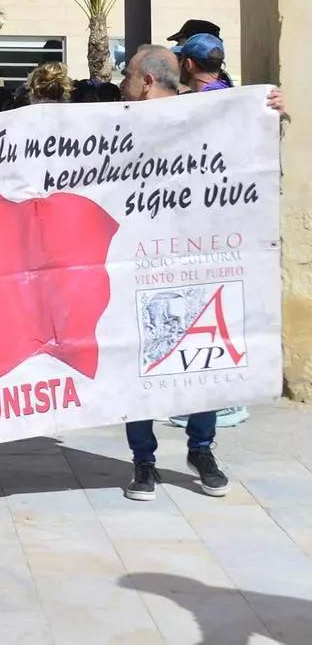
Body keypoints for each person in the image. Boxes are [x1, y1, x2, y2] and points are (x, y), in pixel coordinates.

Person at [118, 43, 284, 501]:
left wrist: (274, 112)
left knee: (204, 357)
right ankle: (144, 460)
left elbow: (254, 151)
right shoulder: (114, 123)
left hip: (196, 259)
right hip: (138, 260)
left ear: (146, 81)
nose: (123, 82)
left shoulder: (208, 113)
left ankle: (201, 449)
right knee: (139, 360)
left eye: (128, 74)